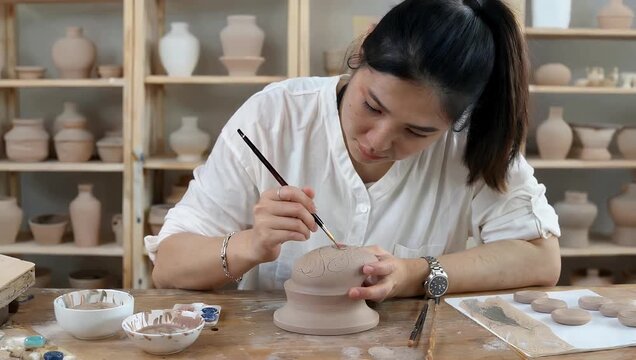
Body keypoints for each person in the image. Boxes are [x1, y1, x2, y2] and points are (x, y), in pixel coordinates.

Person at [146, 0, 561, 302]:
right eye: (372, 106)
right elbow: (168, 265)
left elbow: (540, 259)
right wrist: (251, 245)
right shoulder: (275, 116)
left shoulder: (471, 139)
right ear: (362, 52)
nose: (378, 141)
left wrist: (415, 273)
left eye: (417, 131)